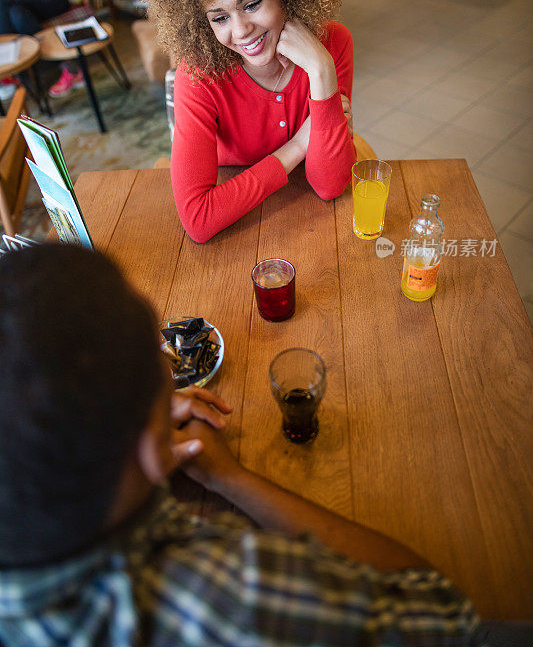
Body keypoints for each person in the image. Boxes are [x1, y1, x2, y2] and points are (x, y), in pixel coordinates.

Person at [0, 243, 482, 646]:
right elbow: (446, 615)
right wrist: (230, 476)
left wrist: (122, 433)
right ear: (153, 449)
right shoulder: (227, 597)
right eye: (164, 371)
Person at [144, 0, 357, 243]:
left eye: (252, 4)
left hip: (308, 227)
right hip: (236, 227)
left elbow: (329, 186)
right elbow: (198, 220)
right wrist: (297, 147)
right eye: (219, 18)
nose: (240, 31)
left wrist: (321, 71)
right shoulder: (198, 75)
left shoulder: (331, 44)